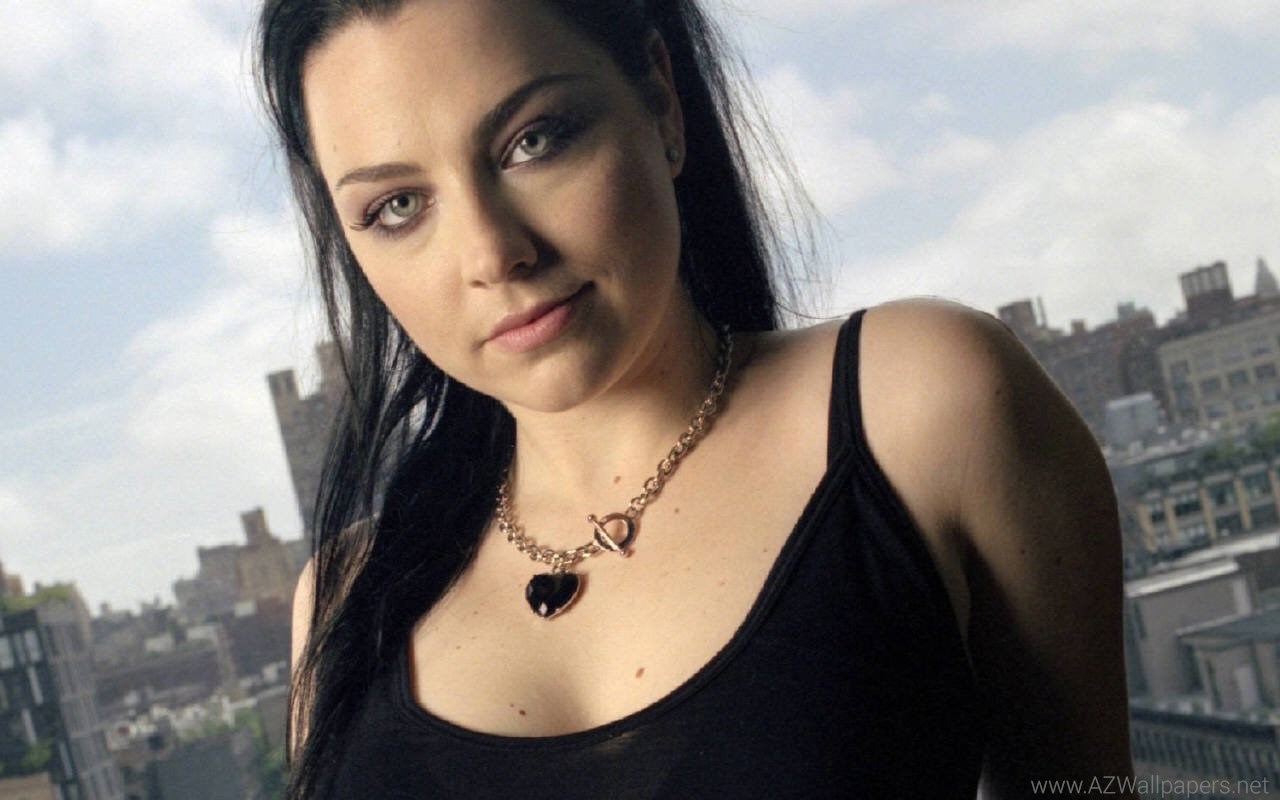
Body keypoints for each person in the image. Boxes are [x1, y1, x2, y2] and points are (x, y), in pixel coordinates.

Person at [257, 0, 1135, 797]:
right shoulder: (343, 602)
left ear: (661, 101)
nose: (492, 254)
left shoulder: (923, 408)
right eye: (398, 206)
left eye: (535, 140)